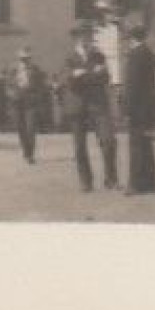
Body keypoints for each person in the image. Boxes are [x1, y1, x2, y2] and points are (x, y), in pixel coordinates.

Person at [62, 23, 119, 191]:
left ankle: (111, 178)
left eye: (87, 34)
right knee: (80, 146)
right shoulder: (69, 58)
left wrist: (83, 75)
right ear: (76, 38)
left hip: (98, 104)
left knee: (109, 141)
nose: (85, 38)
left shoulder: (99, 56)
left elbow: (105, 78)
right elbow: (69, 82)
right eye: (81, 35)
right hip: (77, 106)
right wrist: (89, 74)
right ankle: (86, 182)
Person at [122, 25, 155, 194]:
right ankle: (150, 183)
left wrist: (127, 110)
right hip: (149, 107)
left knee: (136, 146)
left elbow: (132, 85)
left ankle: (136, 184)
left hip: (137, 108)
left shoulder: (134, 56)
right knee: (146, 145)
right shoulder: (150, 54)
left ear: (131, 39)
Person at [7, 48, 47, 163]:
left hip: (31, 102)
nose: (24, 61)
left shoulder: (35, 70)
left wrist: (38, 97)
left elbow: (41, 85)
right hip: (16, 101)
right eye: (22, 59)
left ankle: (30, 155)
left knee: (31, 128)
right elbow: (7, 85)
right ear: (19, 59)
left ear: (30, 59)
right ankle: (26, 150)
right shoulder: (13, 69)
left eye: (27, 59)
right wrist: (11, 94)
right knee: (20, 128)